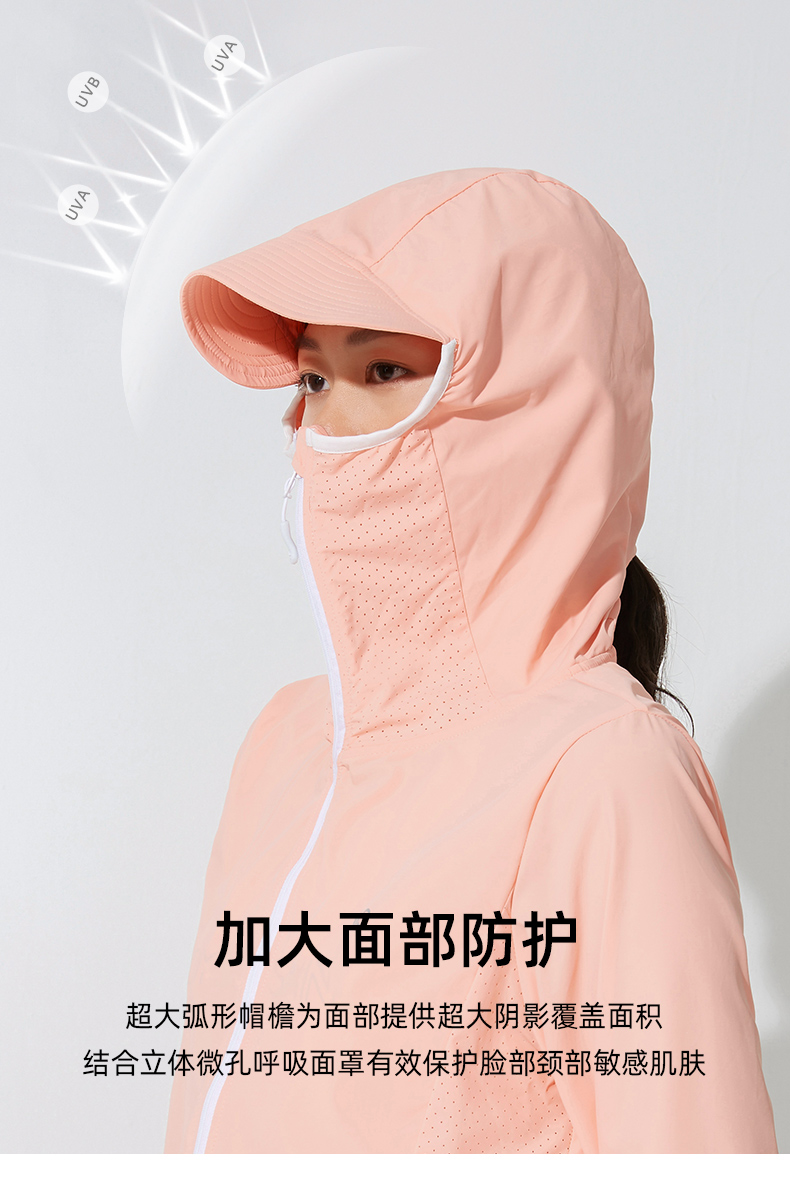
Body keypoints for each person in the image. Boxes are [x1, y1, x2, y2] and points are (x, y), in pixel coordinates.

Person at [166, 166, 777, 1154]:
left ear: (539, 407)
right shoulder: (285, 743)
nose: (326, 425)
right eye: (313, 378)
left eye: (385, 371)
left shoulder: (603, 769)